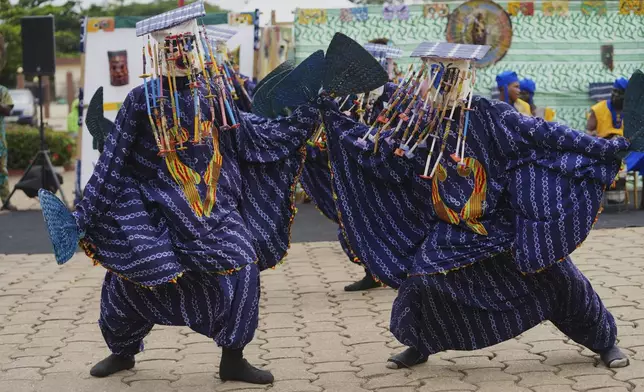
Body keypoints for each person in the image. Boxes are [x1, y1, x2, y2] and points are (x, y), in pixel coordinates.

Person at [267, 38, 638, 372]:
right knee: (422, 282)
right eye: (437, 76)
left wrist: (608, 146)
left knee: (559, 277)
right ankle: (419, 344)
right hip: (451, 230)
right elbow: (380, 151)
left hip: (499, 223)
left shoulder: (494, 116)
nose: (444, 84)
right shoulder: (420, 122)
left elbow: (547, 134)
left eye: (451, 76)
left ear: (466, 78)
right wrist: (336, 123)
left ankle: (604, 340)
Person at [38, 4, 319, 385]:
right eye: (172, 47)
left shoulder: (212, 93)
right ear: (157, 52)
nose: (181, 53)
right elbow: (113, 162)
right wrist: (83, 217)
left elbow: (250, 136)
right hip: (158, 210)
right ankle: (122, 350)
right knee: (131, 276)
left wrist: (307, 116)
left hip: (214, 210)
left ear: (198, 46)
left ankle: (232, 358)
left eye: (187, 44)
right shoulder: (140, 101)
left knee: (243, 265)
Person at [0, 83, 15, 211]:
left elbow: (8, 110)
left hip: (0, 142)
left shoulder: (2, 90)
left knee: (2, 171)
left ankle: (6, 202)